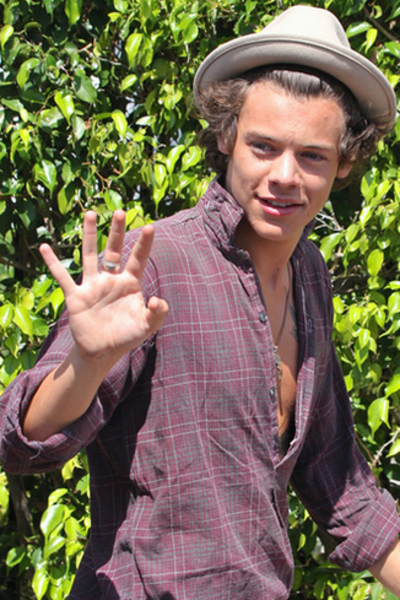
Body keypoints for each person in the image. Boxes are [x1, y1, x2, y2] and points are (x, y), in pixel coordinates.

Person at [1, 5, 400, 599]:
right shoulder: (153, 265)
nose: (285, 175)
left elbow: (342, 487)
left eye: (312, 155)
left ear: (344, 163)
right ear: (226, 138)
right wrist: (86, 362)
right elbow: (21, 443)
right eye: (263, 147)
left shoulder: (310, 276)